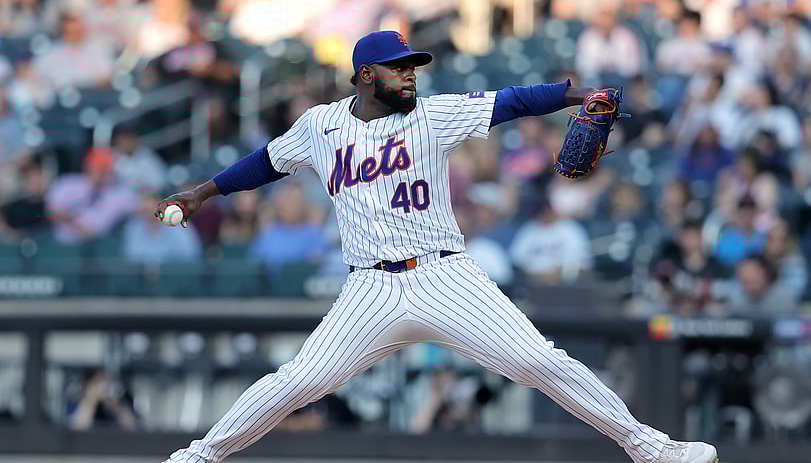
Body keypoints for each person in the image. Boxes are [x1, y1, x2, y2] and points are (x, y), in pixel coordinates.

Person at [156, 30, 718, 463]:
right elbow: (265, 163)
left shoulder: (433, 114)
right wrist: (204, 192)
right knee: (298, 381)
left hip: (444, 275)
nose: (410, 75)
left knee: (537, 359)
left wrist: (577, 95)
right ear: (364, 74)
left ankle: (651, 448)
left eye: (413, 66)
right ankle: (197, 456)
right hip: (369, 288)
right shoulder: (321, 126)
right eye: (398, 68)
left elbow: (513, 101)